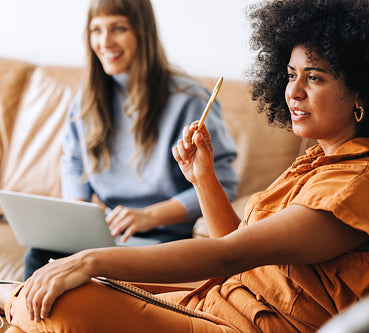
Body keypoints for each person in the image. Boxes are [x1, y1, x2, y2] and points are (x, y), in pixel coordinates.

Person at [0, 0, 369, 331]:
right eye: (291, 74)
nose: (292, 91)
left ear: (364, 95)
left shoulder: (359, 186)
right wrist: (202, 178)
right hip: (213, 302)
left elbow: (229, 254)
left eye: (314, 77)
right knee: (40, 294)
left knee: (51, 303)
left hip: (237, 326)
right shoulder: (321, 162)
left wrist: (89, 258)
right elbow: (239, 246)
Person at [21, 0, 238, 280]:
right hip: (108, 235)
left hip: (163, 242)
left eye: (118, 28)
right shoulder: (87, 99)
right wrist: (78, 212)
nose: (105, 42)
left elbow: (224, 185)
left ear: (142, 32)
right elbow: (74, 161)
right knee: (38, 256)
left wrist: (148, 216)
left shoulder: (191, 101)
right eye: (96, 30)